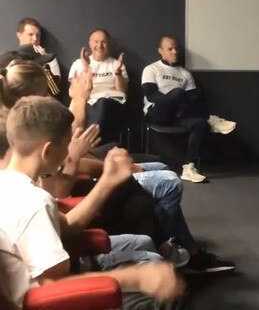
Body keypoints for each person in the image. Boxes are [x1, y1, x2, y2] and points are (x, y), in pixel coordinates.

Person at [0, 96, 185, 309]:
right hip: (49, 301)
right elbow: (54, 284)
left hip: (46, 283)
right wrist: (137, 277)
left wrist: (108, 180)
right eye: (67, 144)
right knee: (166, 296)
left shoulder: (9, 183)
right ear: (47, 151)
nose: (69, 153)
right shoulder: (33, 203)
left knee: (146, 248)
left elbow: (68, 226)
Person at [141, 36, 236, 183]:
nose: (175, 52)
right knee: (178, 92)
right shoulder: (152, 69)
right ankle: (210, 119)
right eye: (170, 49)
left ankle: (189, 167)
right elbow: (151, 95)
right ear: (161, 51)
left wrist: (181, 108)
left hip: (178, 117)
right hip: (157, 114)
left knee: (200, 124)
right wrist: (175, 104)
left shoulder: (185, 73)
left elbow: (193, 99)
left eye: (176, 49)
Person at [68, 28, 128, 144]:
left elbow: (122, 92)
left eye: (103, 42)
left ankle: (92, 146)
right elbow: (73, 91)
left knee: (103, 103)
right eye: (96, 41)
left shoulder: (117, 64)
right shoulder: (78, 64)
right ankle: (95, 147)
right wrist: (86, 68)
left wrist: (117, 72)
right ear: (90, 44)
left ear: (108, 44)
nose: (99, 45)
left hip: (111, 106)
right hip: (87, 105)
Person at [15, 17, 62, 97]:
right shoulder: (9, 59)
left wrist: (44, 63)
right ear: (19, 35)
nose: (35, 38)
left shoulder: (50, 59)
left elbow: (55, 91)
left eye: (38, 35)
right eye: (30, 34)